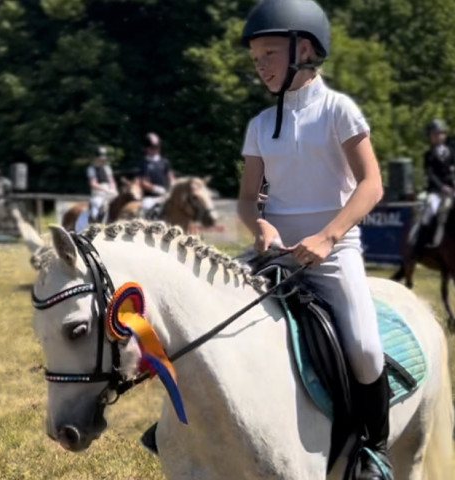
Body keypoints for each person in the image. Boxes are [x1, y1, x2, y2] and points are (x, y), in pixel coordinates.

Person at [237, 1, 390, 479]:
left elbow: (372, 184)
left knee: (364, 347)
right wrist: (260, 226)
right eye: (255, 57)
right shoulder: (260, 125)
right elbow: (247, 199)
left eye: (268, 53)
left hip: (333, 249)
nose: (259, 64)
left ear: (304, 49)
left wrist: (329, 236)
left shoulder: (339, 110)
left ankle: (371, 447)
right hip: (276, 250)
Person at [410, 118, 455, 254]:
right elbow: (431, 175)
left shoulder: (452, 151)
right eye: (434, 134)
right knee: (431, 209)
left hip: (452, 189)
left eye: (440, 133)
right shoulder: (428, 155)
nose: (437, 136)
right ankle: (421, 244)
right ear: (430, 137)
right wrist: (442, 187)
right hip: (436, 191)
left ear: (444, 135)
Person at [138, 132, 175, 213]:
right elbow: (143, 182)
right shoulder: (144, 163)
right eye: (152, 147)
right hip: (151, 197)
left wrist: (172, 187)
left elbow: (171, 177)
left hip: (167, 195)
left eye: (157, 147)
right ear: (146, 148)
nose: (155, 150)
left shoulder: (165, 162)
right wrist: (156, 189)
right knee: (145, 207)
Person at [86, 146, 118, 222]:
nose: (102, 159)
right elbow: (93, 183)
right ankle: (94, 224)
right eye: (100, 157)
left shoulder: (107, 168)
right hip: (98, 193)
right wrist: (104, 189)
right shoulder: (91, 169)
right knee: (96, 205)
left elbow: (111, 181)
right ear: (95, 157)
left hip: (109, 191)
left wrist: (113, 188)